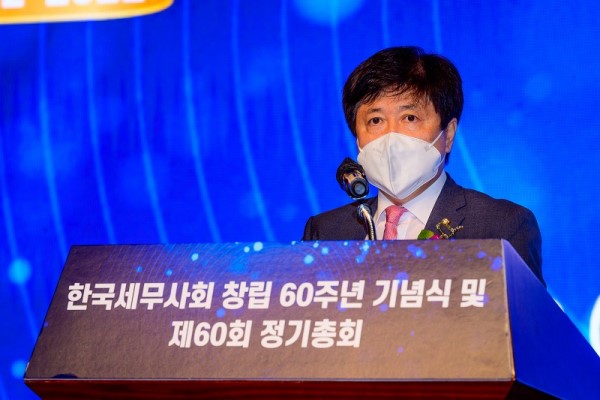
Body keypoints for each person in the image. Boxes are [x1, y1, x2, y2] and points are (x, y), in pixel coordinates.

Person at [302, 46, 544, 286]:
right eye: (375, 120)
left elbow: (522, 312)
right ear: (357, 137)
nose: (391, 137)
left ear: (449, 134)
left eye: (410, 118)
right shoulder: (325, 233)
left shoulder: (501, 227)